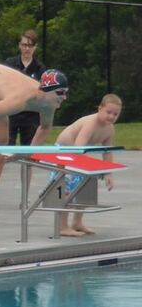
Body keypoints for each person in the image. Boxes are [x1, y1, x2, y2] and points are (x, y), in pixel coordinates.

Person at [0, 30, 46, 209]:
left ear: (35, 47)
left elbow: (43, 94)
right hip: (10, 114)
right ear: (19, 45)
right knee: (1, 154)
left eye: (29, 45)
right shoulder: (10, 64)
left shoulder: (41, 69)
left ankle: (24, 199)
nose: (26, 49)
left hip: (30, 116)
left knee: (28, 157)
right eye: (23, 44)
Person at [50, 93, 122, 236]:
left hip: (76, 154)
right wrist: (85, 166)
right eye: (108, 112)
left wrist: (108, 173)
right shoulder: (91, 123)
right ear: (100, 108)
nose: (111, 117)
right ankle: (62, 226)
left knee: (84, 187)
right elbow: (78, 147)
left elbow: (107, 152)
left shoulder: (109, 129)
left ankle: (77, 222)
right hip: (63, 152)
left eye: (115, 114)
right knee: (65, 189)